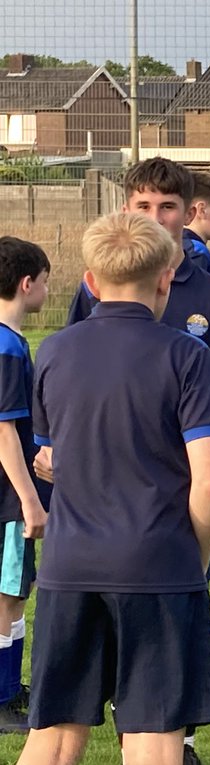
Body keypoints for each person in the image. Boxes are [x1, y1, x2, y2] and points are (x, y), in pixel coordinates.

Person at [0, 212, 210, 765]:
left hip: (71, 570)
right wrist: (188, 554)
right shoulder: (184, 356)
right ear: (167, 278)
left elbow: (52, 456)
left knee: (52, 742)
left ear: (91, 281)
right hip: (157, 570)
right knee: (154, 749)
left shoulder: (56, 353)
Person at [61, 156, 210, 765]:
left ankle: (172, 743)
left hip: (186, 479)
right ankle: (125, 739)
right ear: (126, 209)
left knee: (181, 610)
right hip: (111, 476)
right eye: (143, 206)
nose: (154, 218)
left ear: (188, 215)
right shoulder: (101, 284)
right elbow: (76, 364)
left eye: (167, 207)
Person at [0, 238, 49, 735]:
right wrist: (29, 500)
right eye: (47, 280)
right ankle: (1, 697)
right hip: (7, 496)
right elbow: (4, 430)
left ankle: (10, 687)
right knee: (9, 593)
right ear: (27, 283)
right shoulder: (8, 346)